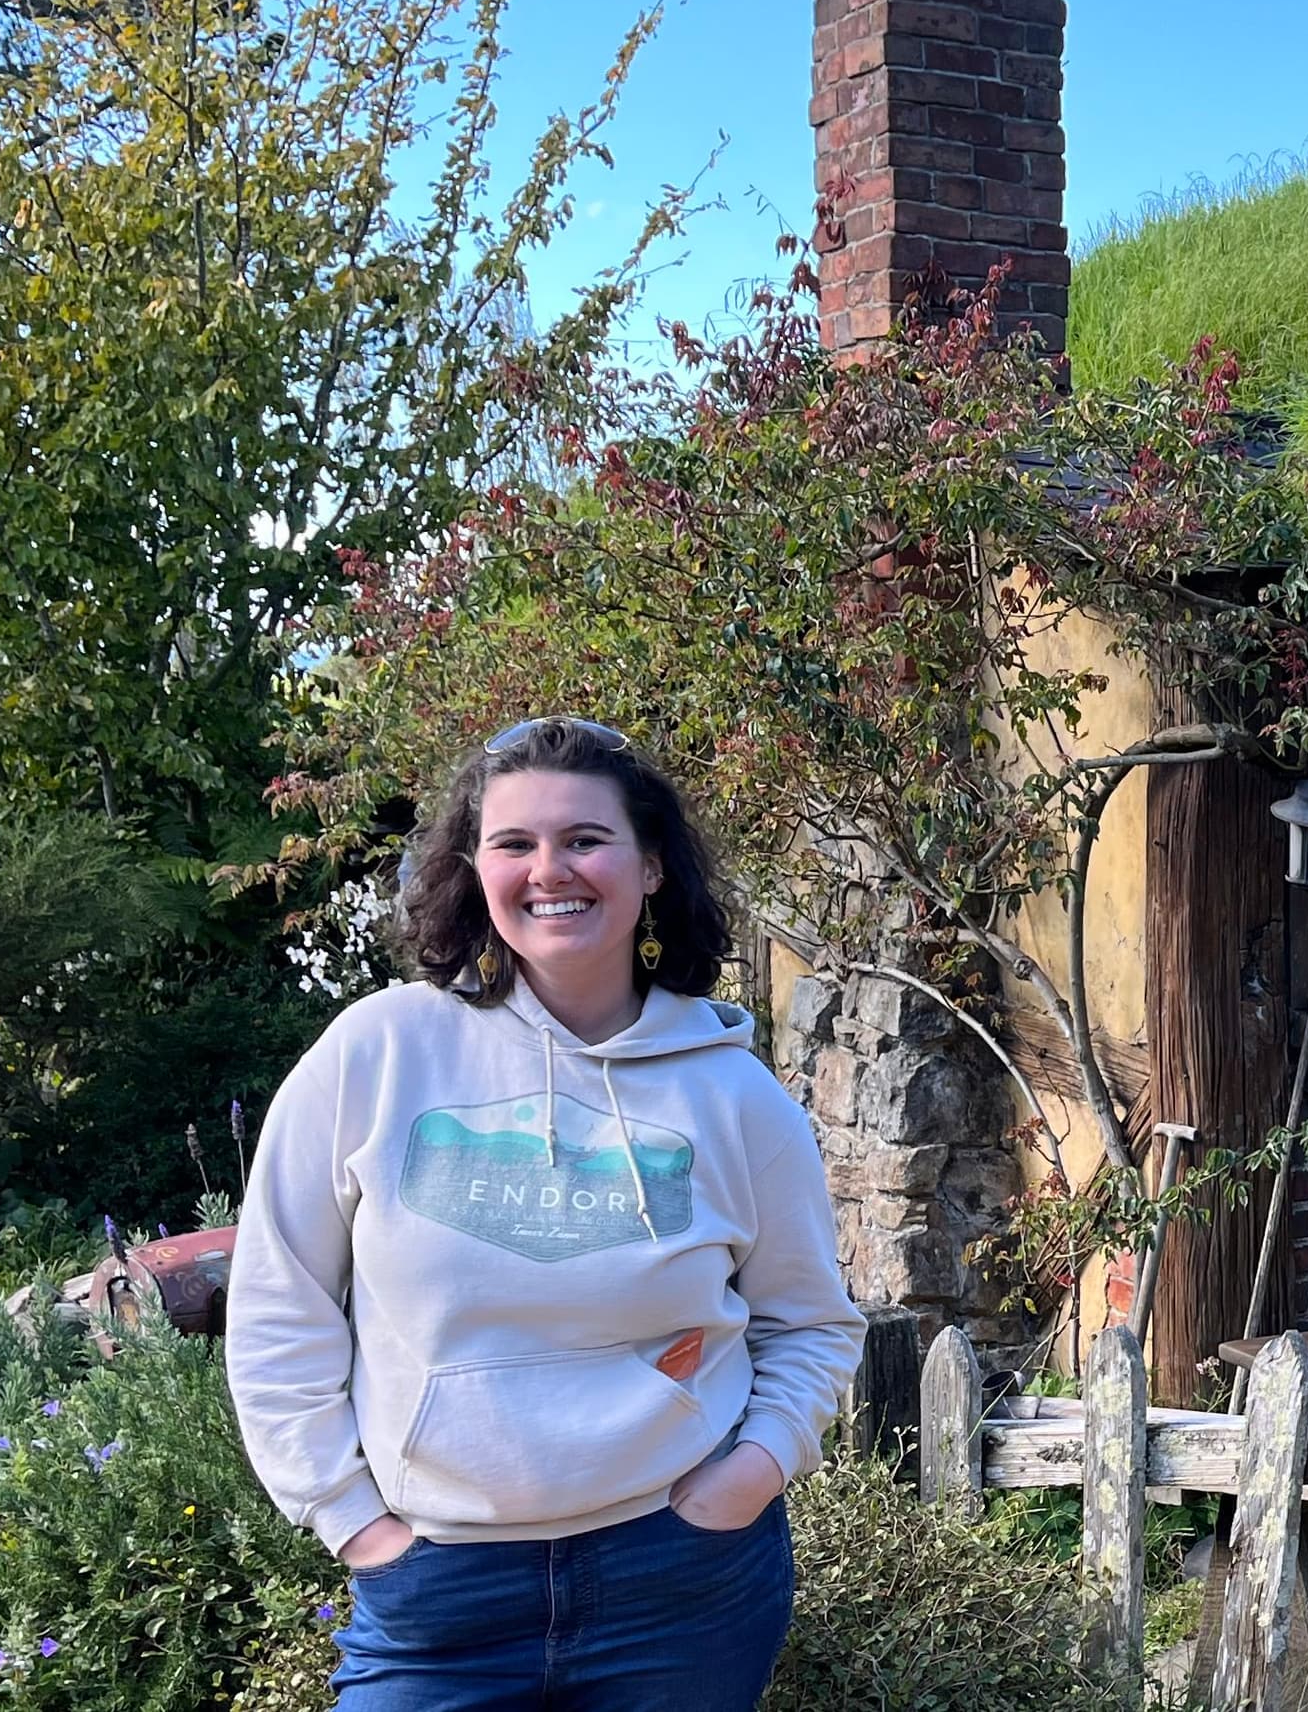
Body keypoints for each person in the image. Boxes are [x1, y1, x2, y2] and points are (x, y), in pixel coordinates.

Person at [228, 718, 865, 1710]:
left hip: (678, 1582)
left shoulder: (737, 1099)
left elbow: (812, 1324)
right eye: (513, 844)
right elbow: (279, 1304)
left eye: (584, 840)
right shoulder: (377, 1055)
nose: (548, 870)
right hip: (438, 1590)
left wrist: (749, 1474)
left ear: (651, 868)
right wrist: (351, 1519)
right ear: (473, 869)